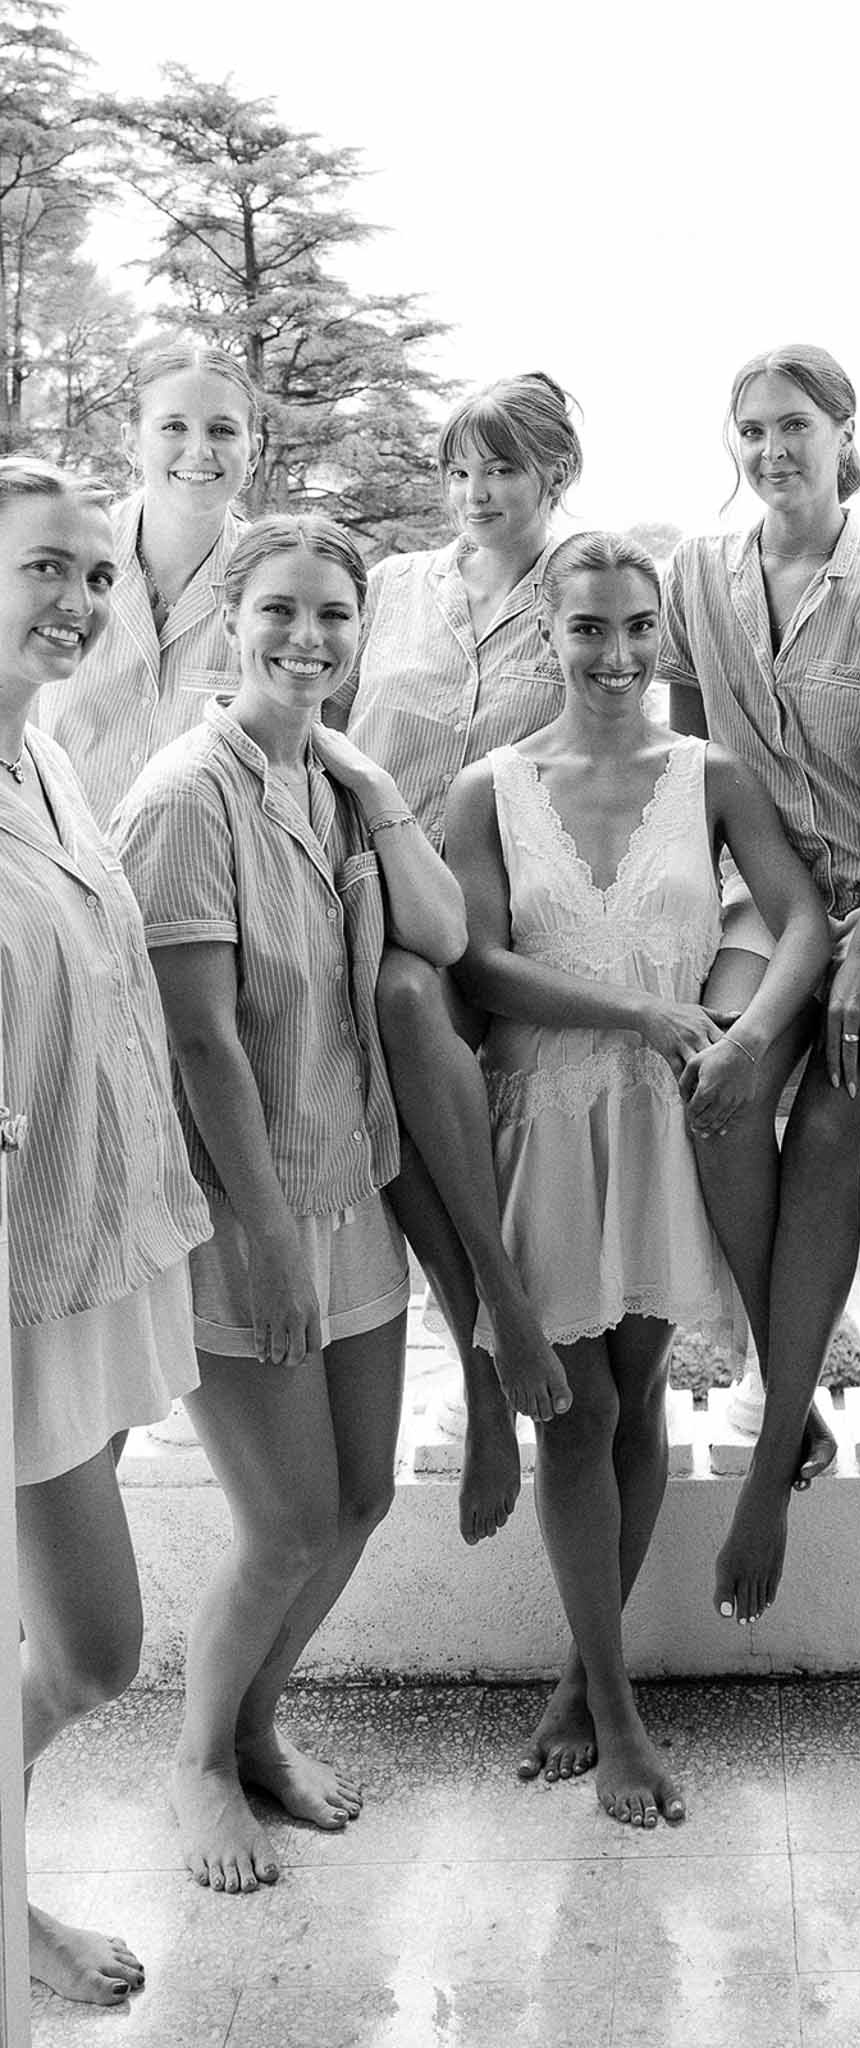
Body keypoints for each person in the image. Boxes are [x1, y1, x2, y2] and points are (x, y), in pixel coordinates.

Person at [444, 531, 829, 1818]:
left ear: (662, 633)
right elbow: (480, 967)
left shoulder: (706, 773)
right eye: (589, 629)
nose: (616, 656)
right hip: (544, 1119)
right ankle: (615, 1714)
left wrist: (752, 1031)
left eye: (637, 629)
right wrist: (643, 1016)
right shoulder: (488, 786)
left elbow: (806, 923)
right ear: (546, 633)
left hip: (667, 1121)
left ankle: (579, 1675)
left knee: (642, 1388)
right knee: (576, 1413)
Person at [115, 516, 467, 1894]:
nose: (306, 638)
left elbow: (437, 936)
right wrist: (262, 1243)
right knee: (285, 1522)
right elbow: (200, 1042)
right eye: (280, 610)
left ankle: (258, 1727)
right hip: (239, 1216)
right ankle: (200, 1759)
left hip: (348, 1189)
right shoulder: (187, 796)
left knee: (362, 1495)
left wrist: (375, 783)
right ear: (230, 624)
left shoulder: (330, 778)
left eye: (334, 614)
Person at [658, 344, 860, 1626]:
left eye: (795, 425)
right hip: (753, 902)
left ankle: (775, 1454)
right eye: (750, 428)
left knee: (832, 1134)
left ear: (844, 434)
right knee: (714, 1096)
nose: (771, 448)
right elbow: (681, 757)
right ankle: (783, 1379)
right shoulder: (694, 574)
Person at [0, 458, 211, 2000]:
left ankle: (11, 1905)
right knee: (88, 1650)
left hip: (95, 1246)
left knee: (50, 1643)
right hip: (17, 1301)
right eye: (39, 571)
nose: (74, 602)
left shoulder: (53, 762)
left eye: (91, 573)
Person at [330, 373, 587, 1545]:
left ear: (555, 475)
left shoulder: (586, 593)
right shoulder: (390, 590)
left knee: (400, 997)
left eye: (504, 469)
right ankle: (494, 1350)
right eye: (460, 469)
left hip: (506, 907)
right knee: (381, 1072)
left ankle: (496, 1341)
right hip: (358, 887)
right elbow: (313, 717)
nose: (476, 492)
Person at [32, 342, 262, 830]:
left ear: (254, 450)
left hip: (200, 884)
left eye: (222, 430)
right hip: (55, 866)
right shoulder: (56, 558)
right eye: (173, 426)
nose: (199, 450)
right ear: (130, 441)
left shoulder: (271, 586)